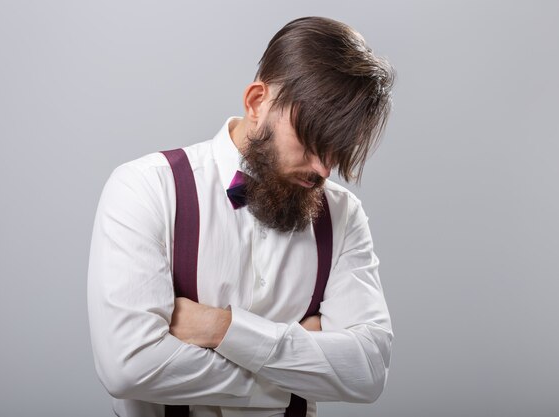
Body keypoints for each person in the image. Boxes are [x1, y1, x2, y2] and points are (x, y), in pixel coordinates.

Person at [87, 16, 395, 417]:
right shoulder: (145, 188)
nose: (324, 170)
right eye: (310, 142)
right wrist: (295, 376)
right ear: (256, 102)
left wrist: (219, 329)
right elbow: (128, 367)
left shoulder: (343, 215)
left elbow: (367, 371)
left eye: (337, 151)